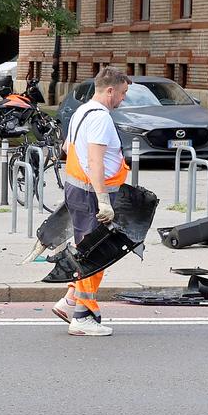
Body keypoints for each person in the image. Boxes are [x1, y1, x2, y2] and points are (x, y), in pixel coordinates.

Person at [53, 65, 131, 338]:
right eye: (122, 93)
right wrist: (103, 200)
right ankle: (84, 317)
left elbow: (67, 148)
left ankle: (70, 300)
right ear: (110, 91)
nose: (122, 99)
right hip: (91, 194)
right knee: (95, 255)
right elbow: (96, 160)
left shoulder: (80, 112)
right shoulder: (100, 118)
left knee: (87, 249)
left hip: (78, 190)